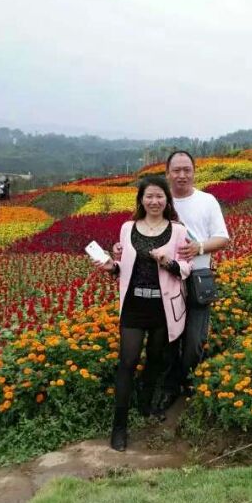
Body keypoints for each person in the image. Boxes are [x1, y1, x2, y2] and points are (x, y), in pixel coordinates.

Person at [94, 176, 192, 451]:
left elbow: (186, 268)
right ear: (141, 200)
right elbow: (123, 268)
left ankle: (145, 403)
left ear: (167, 200)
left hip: (163, 307)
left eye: (159, 196)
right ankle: (119, 427)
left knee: (156, 359)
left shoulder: (178, 230)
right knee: (127, 362)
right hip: (134, 306)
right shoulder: (127, 228)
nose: (154, 201)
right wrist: (111, 267)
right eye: (149, 196)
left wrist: (167, 261)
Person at [161, 151, 230, 408]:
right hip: (167, 279)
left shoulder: (207, 201)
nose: (182, 175)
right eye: (176, 170)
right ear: (167, 173)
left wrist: (198, 247)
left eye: (186, 170)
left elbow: (222, 238)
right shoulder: (160, 200)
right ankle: (169, 387)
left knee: (194, 339)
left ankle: (189, 379)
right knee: (169, 337)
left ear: (194, 172)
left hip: (198, 278)